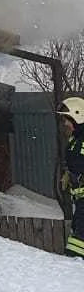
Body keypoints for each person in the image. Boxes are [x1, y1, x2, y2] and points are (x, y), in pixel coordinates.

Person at [58, 96, 84, 259]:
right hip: (80, 201)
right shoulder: (76, 140)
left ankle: (71, 264)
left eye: (67, 119)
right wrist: (70, 174)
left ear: (78, 116)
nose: (65, 124)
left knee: (78, 245)